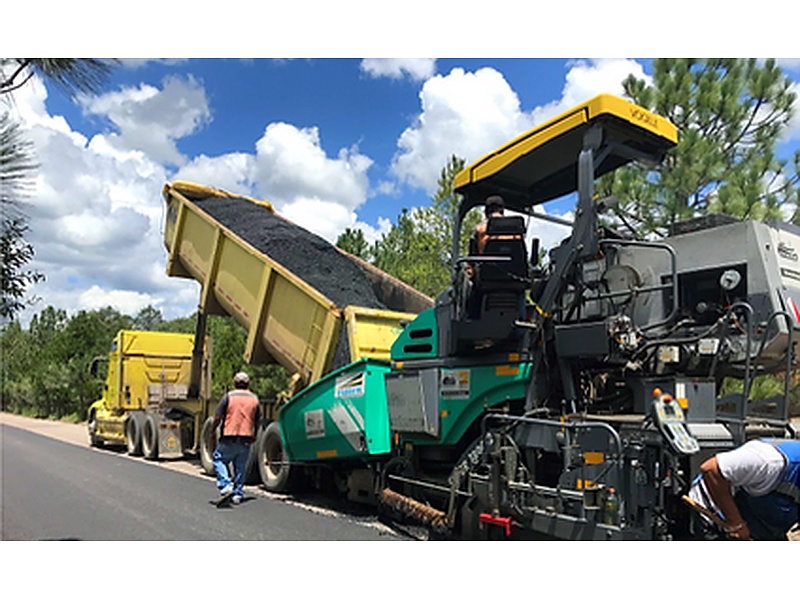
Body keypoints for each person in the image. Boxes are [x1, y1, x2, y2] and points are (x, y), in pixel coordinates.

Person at [688, 438, 800, 540]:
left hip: (764, 519)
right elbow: (711, 469)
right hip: (717, 510)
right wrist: (735, 523)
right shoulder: (768, 461)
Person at [212, 371, 260, 506]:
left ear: (235, 383)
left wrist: (213, 430)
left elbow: (218, 417)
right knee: (240, 466)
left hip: (229, 435)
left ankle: (226, 486)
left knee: (218, 459)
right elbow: (257, 421)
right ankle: (237, 494)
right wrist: (255, 434)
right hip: (246, 437)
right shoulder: (254, 399)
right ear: (248, 384)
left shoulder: (228, 397)